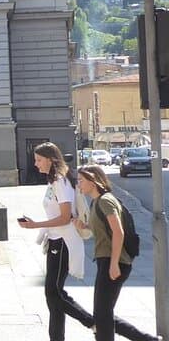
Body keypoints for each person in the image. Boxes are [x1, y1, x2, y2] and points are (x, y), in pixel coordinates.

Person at [18, 142, 94, 340]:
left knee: (54, 293)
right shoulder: (53, 181)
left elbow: (65, 216)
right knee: (52, 296)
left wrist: (35, 225)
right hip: (54, 240)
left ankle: (91, 322)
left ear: (51, 160)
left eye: (39, 160)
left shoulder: (61, 181)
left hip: (63, 241)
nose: (36, 164)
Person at [74, 165, 159, 341]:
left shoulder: (106, 200)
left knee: (102, 313)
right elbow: (103, 229)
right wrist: (85, 226)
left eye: (81, 180)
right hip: (105, 261)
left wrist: (113, 264)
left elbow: (118, 232)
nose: (78, 184)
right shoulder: (96, 201)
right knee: (103, 313)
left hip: (115, 262)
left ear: (93, 180)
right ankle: (146, 339)